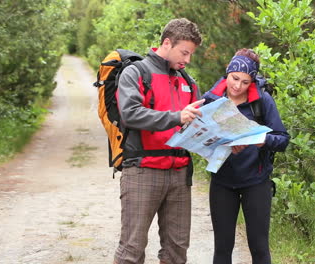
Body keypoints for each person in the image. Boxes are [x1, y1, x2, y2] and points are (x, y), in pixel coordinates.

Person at [114, 18, 204, 264]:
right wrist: (177, 117)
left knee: (177, 251)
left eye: (191, 54)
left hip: (179, 175)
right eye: (184, 52)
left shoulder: (188, 82)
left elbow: (195, 125)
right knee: (131, 249)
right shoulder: (136, 73)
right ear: (167, 42)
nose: (187, 60)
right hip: (142, 171)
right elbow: (130, 113)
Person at [202, 48, 290, 264]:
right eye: (234, 78)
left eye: (245, 82)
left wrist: (262, 140)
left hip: (256, 182)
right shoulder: (209, 99)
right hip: (222, 182)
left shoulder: (263, 101)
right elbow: (199, 134)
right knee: (222, 248)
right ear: (227, 73)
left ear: (252, 81)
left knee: (259, 248)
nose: (238, 86)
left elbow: (283, 139)